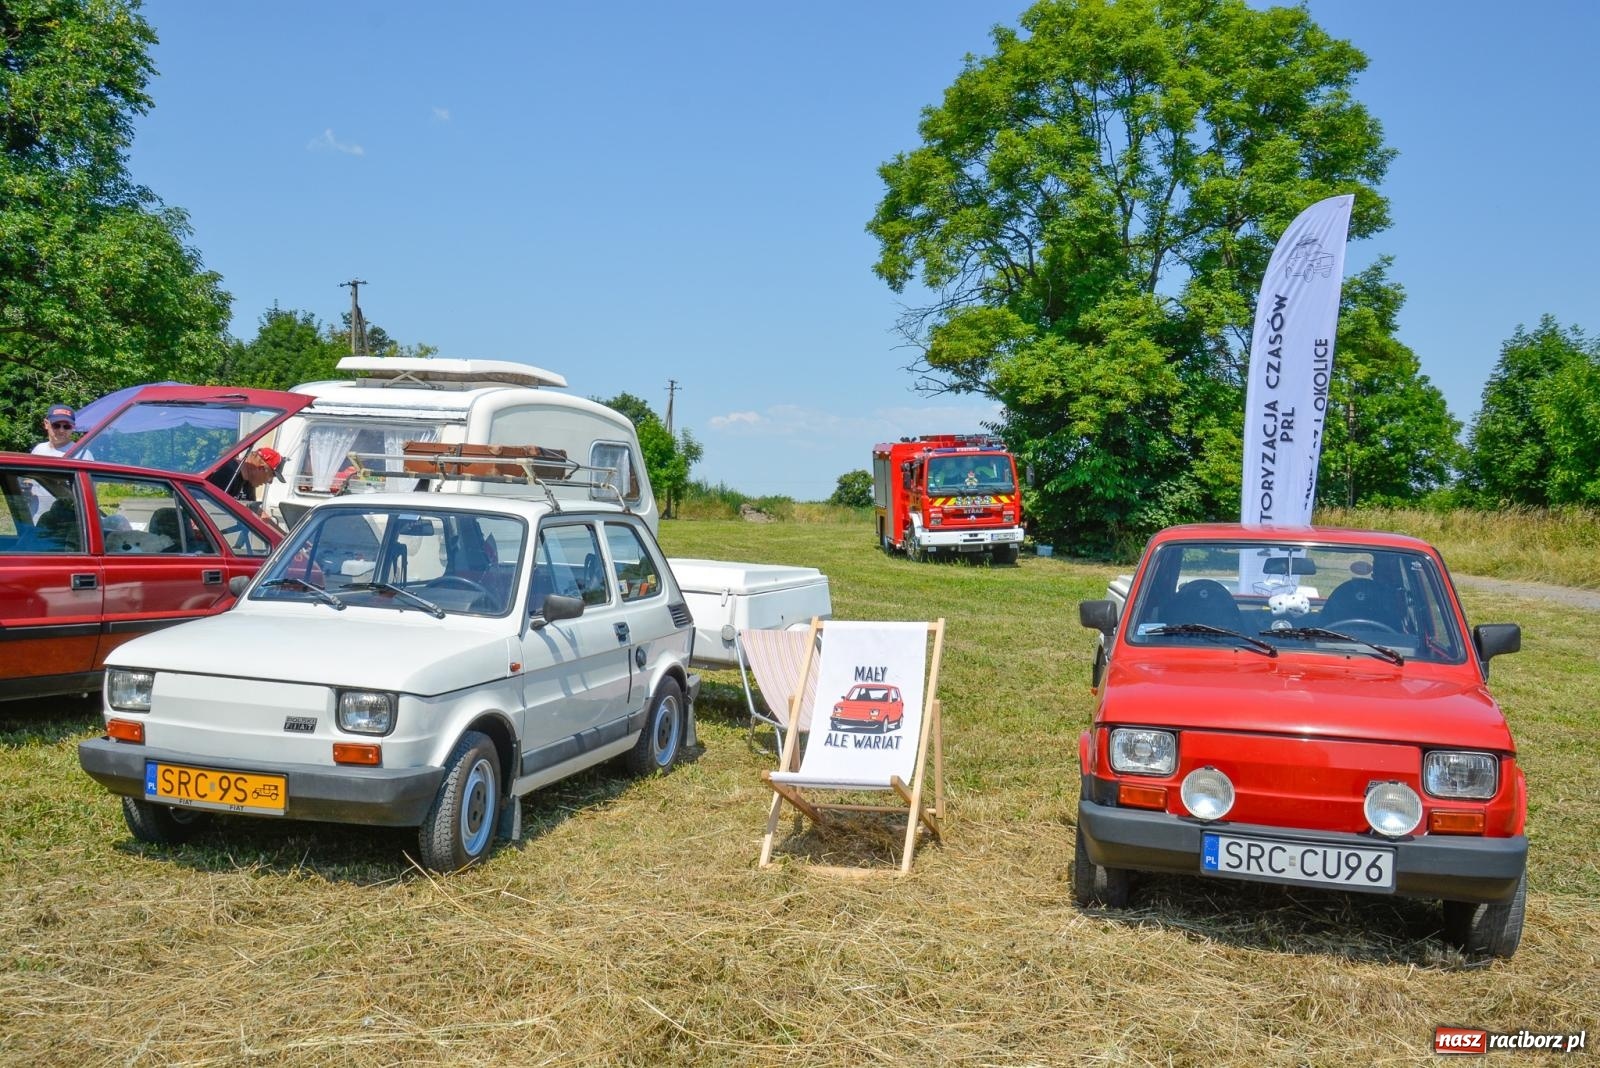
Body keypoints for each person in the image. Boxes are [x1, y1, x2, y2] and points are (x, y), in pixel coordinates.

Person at [209, 446, 286, 502]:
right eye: (271, 476)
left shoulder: (249, 481)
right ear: (261, 468)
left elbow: (254, 511)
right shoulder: (227, 473)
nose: (270, 482)